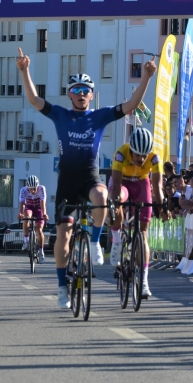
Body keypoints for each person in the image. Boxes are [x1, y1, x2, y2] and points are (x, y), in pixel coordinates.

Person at [17, 47, 156, 310]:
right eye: (77, 90)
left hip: (90, 175)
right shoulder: (60, 114)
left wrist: (146, 77)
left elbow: (131, 106)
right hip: (67, 180)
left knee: (103, 196)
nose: (81, 95)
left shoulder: (99, 115)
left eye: (86, 91)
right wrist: (25, 71)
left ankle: (94, 244)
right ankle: (61, 287)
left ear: (92, 95)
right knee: (63, 237)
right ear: (69, 94)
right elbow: (35, 100)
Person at [108, 127, 163, 298]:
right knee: (117, 201)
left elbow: (158, 189)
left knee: (143, 233)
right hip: (122, 182)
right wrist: (115, 201)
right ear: (131, 149)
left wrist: (161, 205)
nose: (141, 159)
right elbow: (116, 186)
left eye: (144, 155)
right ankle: (117, 241)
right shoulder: (121, 154)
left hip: (141, 183)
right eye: (137, 155)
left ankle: (144, 281)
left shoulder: (154, 157)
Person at [19, 175, 48, 264]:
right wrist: (20, 213)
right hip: (29, 207)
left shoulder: (41, 188)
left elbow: (43, 203)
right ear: (28, 187)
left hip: (39, 208)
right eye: (31, 189)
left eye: (35, 188)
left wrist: (44, 214)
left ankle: (41, 252)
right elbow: (22, 203)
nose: (33, 191)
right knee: (26, 215)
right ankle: (26, 240)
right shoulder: (23, 190)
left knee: (39, 229)